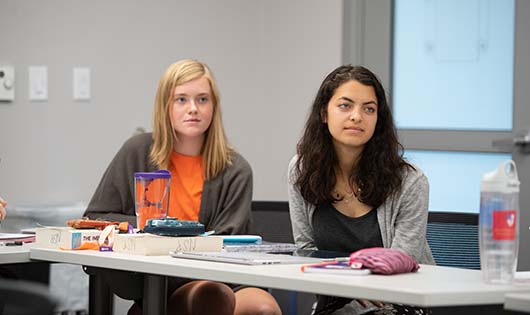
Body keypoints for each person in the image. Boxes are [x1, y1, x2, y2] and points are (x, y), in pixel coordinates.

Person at [84, 59, 281, 315]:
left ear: (214, 107)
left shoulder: (236, 169)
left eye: (202, 99)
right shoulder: (137, 151)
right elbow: (95, 218)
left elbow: (224, 245)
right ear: (165, 105)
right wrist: (156, 231)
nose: (193, 109)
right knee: (212, 296)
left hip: (221, 276)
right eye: (181, 100)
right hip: (161, 280)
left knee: (262, 308)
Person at [287, 65, 435, 315]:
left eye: (369, 109)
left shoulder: (410, 181)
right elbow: (306, 252)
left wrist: (364, 293)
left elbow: (400, 261)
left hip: (398, 299)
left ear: (378, 119)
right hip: (336, 298)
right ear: (324, 113)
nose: (357, 116)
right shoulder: (302, 170)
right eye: (345, 106)